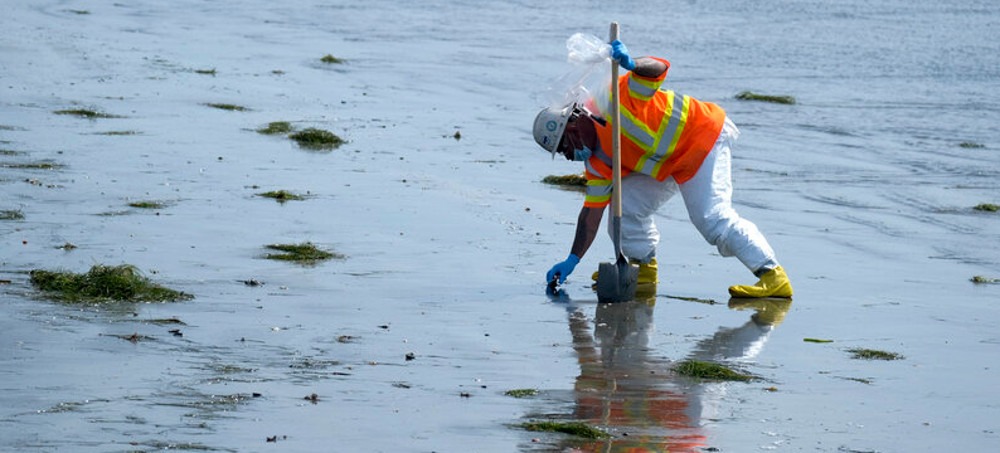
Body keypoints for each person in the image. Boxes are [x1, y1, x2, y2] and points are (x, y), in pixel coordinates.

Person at [533, 39, 792, 298]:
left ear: (572, 126)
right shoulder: (597, 163)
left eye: (564, 147)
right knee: (625, 208)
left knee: (712, 220)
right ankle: (644, 269)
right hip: (667, 161)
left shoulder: (614, 97)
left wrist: (632, 64)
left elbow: (656, 68)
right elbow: (590, 217)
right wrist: (572, 260)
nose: (567, 156)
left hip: (703, 138)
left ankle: (772, 274)